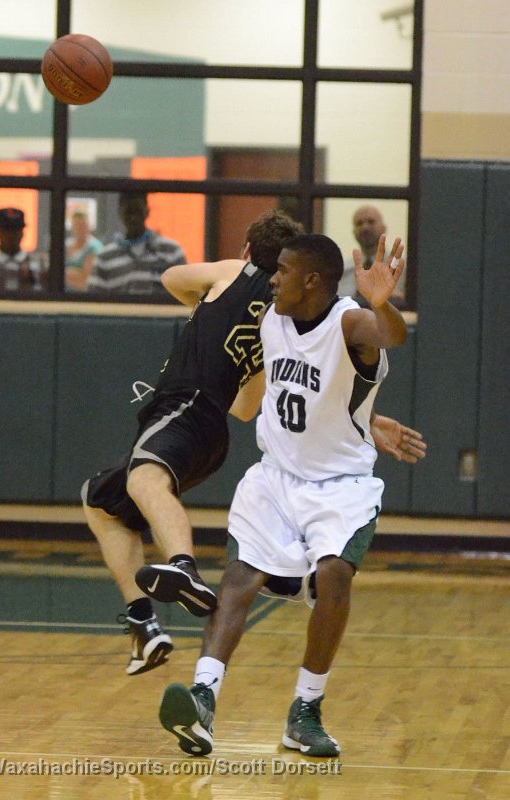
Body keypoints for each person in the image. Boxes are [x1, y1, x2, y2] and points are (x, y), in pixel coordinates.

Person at [158, 231, 415, 759]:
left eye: (284, 271)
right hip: (276, 476)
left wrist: (382, 303)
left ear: (313, 280)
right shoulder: (271, 318)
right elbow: (300, 390)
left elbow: (391, 336)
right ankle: (203, 698)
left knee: (334, 575)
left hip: (340, 484)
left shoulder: (348, 322)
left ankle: (306, 711)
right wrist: (370, 416)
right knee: (238, 578)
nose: (273, 279)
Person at [81, 210, 305, 676]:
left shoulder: (234, 271)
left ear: (248, 249)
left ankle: (184, 567)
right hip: (213, 436)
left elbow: (171, 277)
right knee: (100, 501)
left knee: (143, 482)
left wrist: (205, 305)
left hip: (183, 407)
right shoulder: (278, 323)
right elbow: (245, 408)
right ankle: (143, 624)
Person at [87, 191, 187, 300]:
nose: (133, 218)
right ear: (120, 213)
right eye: (128, 212)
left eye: (138, 211)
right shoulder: (105, 258)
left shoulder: (171, 251)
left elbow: (186, 296)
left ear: (147, 212)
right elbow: (94, 301)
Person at [338, 205, 406, 308]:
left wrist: (397, 298)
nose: (365, 227)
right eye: (359, 223)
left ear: (384, 228)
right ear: (354, 232)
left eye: (371, 222)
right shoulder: (342, 272)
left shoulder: (403, 269)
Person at [65, 210, 103, 291]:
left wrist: (66, 273)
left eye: (83, 225)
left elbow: (86, 281)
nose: (80, 229)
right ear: (72, 227)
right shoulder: (67, 244)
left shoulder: (95, 247)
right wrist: (77, 272)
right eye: (77, 225)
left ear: (89, 226)